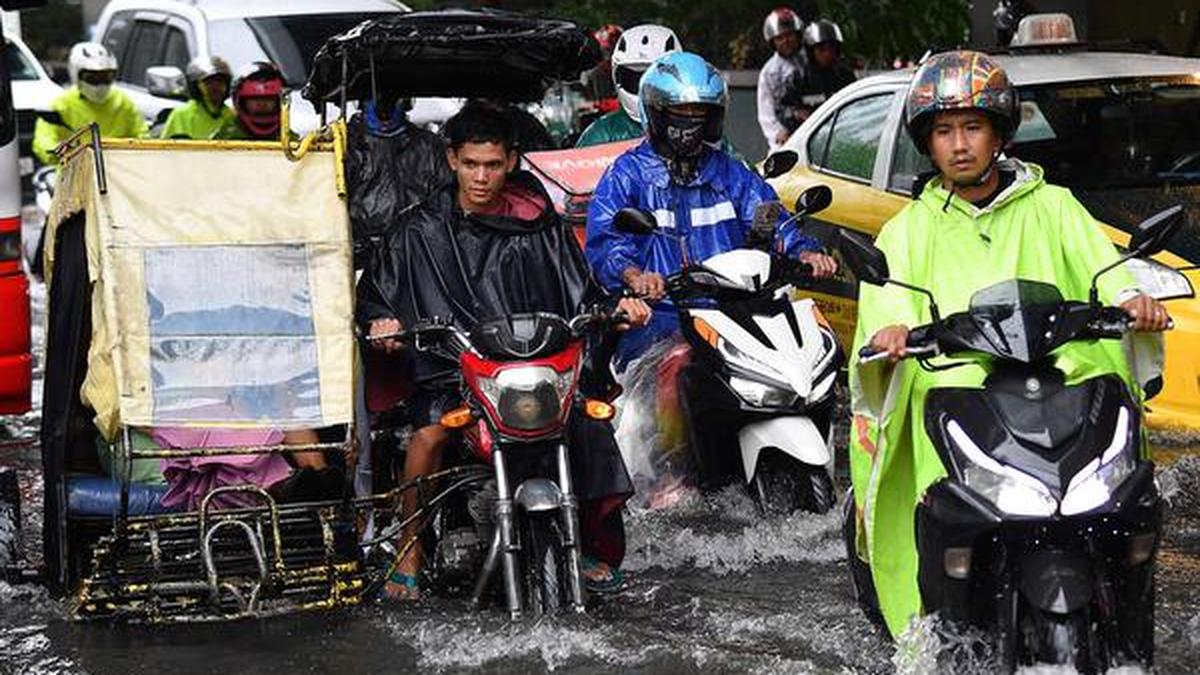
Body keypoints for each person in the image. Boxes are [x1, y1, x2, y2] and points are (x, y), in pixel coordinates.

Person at [847, 50, 1171, 638]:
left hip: (1064, 388)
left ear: (999, 133)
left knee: (1131, 503)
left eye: (972, 126)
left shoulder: (1055, 206)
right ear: (928, 142)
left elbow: (1106, 269)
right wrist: (890, 334)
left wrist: (1133, 301)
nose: (960, 144)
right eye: (944, 131)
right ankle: (933, 628)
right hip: (963, 401)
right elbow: (888, 299)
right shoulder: (908, 230)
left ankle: (1126, 624)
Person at [357, 100, 652, 600]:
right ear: (451, 159)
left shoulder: (540, 224)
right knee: (428, 435)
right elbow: (377, 298)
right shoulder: (418, 230)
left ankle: (582, 538)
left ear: (512, 162)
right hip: (455, 371)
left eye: (493, 165)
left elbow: (580, 293)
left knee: (586, 421)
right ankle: (410, 547)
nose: (481, 177)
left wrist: (617, 308)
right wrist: (381, 321)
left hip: (534, 367)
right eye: (471, 164)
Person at [587, 51, 838, 371]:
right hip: (659, 323)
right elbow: (608, 241)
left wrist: (804, 252)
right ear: (657, 113)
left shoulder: (733, 174)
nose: (692, 119)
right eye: (681, 110)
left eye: (700, 111)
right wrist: (635, 276)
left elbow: (772, 220)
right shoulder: (627, 174)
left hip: (735, 319)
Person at [344, 87, 451, 268]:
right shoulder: (346, 144)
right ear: (361, 103)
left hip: (418, 254)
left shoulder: (430, 146)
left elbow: (445, 200)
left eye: (392, 99)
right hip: (359, 257)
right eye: (375, 98)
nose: (384, 110)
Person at [32, 42, 147, 165]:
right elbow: (43, 139)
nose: (100, 85)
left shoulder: (123, 102)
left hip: (118, 170)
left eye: (106, 77)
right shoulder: (61, 104)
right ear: (76, 75)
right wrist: (57, 151)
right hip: (73, 172)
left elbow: (141, 135)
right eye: (92, 78)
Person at [575, 24, 680, 148]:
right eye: (634, 78)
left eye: (655, 80)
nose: (643, 89)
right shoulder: (602, 134)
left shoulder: (695, 125)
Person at [756, 7, 806, 151]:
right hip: (786, 140)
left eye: (790, 35)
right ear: (772, 42)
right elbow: (766, 112)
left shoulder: (811, 61)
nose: (786, 41)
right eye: (780, 38)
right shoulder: (770, 72)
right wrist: (778, 132)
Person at [159, 56, 236, 140]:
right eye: (209, 82)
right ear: (196, 86)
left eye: (220, 81)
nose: (215, 86)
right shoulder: (182, 114)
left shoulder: (231, 116)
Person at [792, 20, 855, 116]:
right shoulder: (801, 78)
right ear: (811, 51)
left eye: (832, 48)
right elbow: (789, 110)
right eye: (821, 49)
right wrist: (798, 113)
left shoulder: (846, 75)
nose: (827, 54)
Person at [213, 62, 286, 141]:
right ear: (239, 102)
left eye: (269, 99)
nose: (262, 104)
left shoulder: (289, 140)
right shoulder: (224, 139)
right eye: (255, 99)